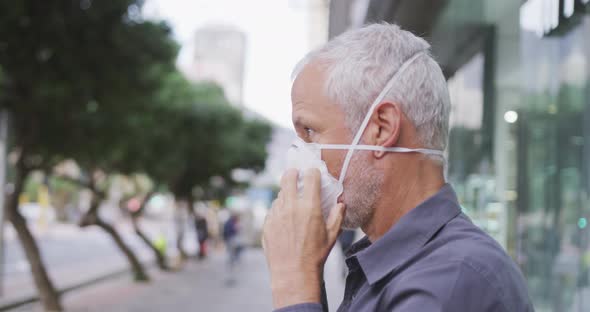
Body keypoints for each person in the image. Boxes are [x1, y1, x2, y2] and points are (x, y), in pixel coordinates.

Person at [262, 23, 533, 312]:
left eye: (309, 131)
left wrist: (295, 285)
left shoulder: (450, 281)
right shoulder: (395, 265)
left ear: (382, 127)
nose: (298, 156)